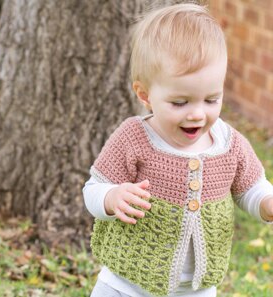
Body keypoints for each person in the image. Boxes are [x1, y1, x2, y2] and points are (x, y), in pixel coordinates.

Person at [83, 3, 273, 297]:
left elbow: (250, 187)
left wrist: (265, 202)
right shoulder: (135, 137)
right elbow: (94, 188)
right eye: (180, 102)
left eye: (211, 99)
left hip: (195, 289)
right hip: (125, 284)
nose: (197, 114)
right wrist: (111, 197)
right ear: (145, 95)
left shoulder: (228, 143)